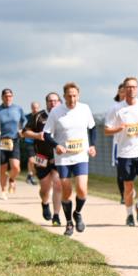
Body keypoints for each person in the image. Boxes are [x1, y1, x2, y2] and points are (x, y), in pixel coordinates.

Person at [43, 82, 96, 237]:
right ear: (64, 96)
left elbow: (92, 128)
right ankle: (69, 223)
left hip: (81, 155)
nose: (72, 99)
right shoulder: (56, 111)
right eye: (69, 96)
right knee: (66, 191)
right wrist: (56, 145)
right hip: (63, 158)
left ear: (78, 96)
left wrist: (92, 145)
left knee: (82, 189)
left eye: (74, 95)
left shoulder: (85, 109)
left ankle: (77, 213)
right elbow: (46, 134)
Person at [104, 76, 138, 227]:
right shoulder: (116, 109)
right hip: (125, 153)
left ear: (137, 89)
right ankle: (129, 214)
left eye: (134, 87)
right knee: (128, 186)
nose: (131, 89)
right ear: (124, 90)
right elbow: (106, 130)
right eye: (128, 87)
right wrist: (119, 128)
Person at [21, 92, 63, 226]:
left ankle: (56, 215)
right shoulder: (38, 116)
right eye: (50, 101)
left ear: (59, 102)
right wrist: (37, 135)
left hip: (59, 156)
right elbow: (24, 132)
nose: (53, 103)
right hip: (41, 157)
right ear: (46, 103)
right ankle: (45, 203)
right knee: (45, 187)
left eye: (55, 101)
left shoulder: (64, 115)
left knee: (58, 184)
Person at [0, 88, 26, 199]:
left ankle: (12, 179)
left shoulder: (18, 109)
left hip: (14, 140)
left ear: (12, 97)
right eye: (5, 96)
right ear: (2, 97)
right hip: (1, 141)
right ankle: (3, 190)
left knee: (16, 168)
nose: (8, 98)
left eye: (10, 96)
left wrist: (22, 129)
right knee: (3, 168)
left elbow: (25, 121)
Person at [105, 83, 127, 204]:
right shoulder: (114, 108)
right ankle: (123, 195)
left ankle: (129, 190)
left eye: (126, 91)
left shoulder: (134, 106)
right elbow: (108, 127)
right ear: (118, 92)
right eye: (122, 91)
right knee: (120, 172)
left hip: (133, 144)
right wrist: (119, 128)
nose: (124, 93)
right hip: (118, 143)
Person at [23, 101, 41, 186]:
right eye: (33, 108)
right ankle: (30, 175)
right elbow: (22, 127)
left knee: (40, 162)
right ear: (31, 108)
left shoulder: (43, 117)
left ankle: (31, 176)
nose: (35, 109)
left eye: (37, 108)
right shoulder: (27, 117)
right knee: (31, 160)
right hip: (29, 141)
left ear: (39, 108)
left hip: (40, 143)